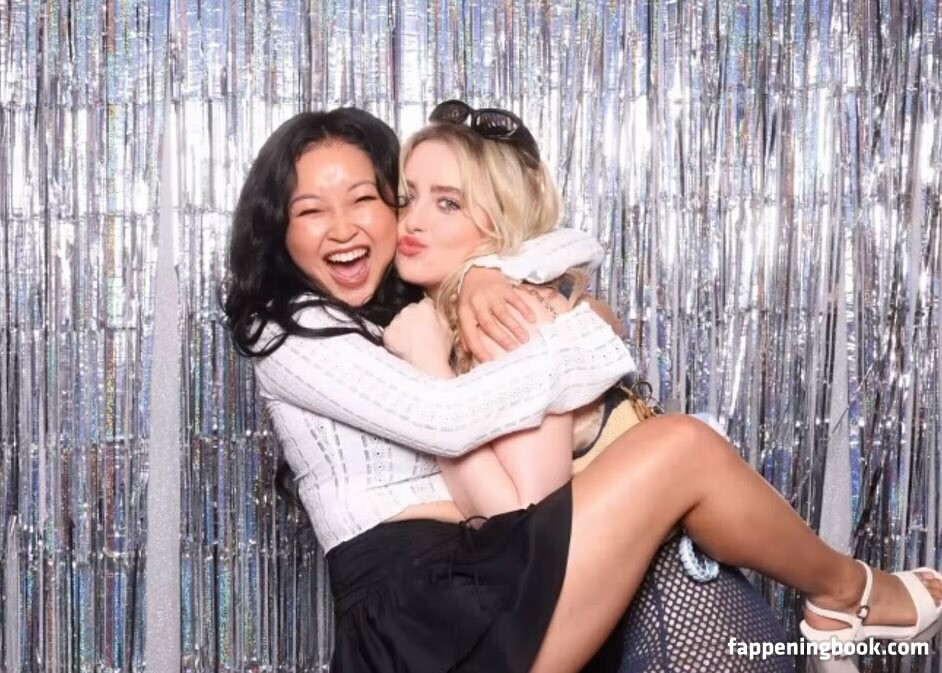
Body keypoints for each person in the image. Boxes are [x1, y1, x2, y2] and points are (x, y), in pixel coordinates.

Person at [224, 106, 942, 673]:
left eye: (368, 199)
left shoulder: (422, 315)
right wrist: (571, 335)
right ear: (278, 229)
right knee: (683, 447)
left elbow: (560, 253)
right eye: (310, 211)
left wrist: (510, 287)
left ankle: (841, 595)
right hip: (425, 617)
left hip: (474, 585)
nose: (345, 227)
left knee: (697, 564)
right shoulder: (285, 330)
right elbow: (458, 438)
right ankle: (848, 591)